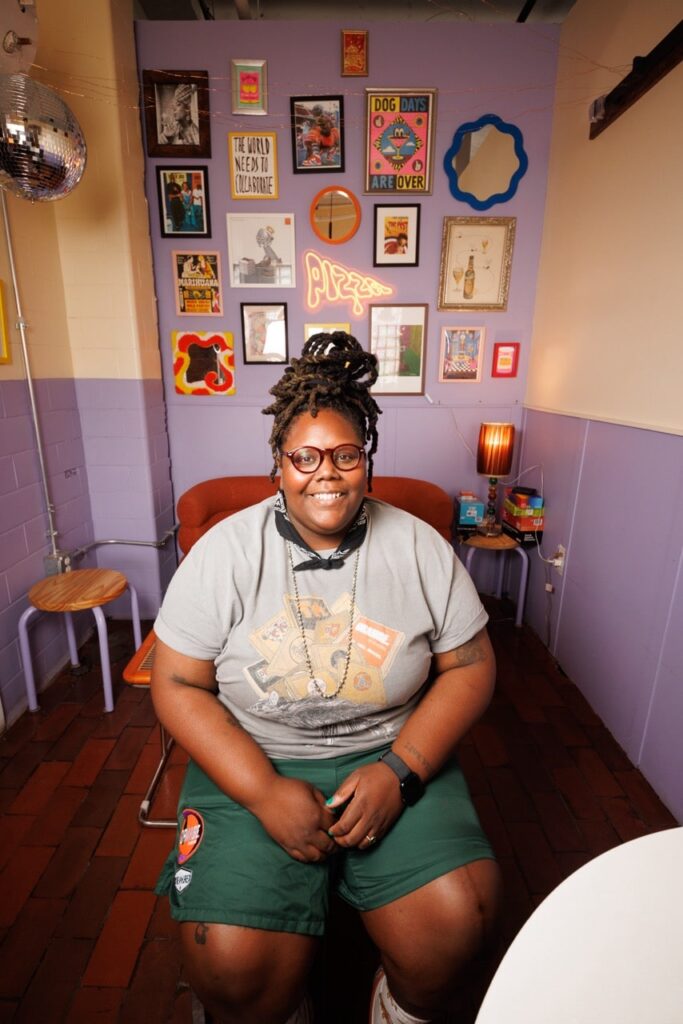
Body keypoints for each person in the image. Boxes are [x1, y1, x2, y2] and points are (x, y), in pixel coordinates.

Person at [152, 331, 501, 1024]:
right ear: (278, 466)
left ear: (366, 462)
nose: (327, 474)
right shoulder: (224, 552)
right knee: (227, 962)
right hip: (255, 752)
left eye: (345, 455)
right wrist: (261, 791)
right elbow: (176, 683)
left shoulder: (419, 547)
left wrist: (400, 772)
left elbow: (470, 666)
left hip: (389, 752)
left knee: (459, 921)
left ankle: (392, 1007)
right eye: (304, 457)